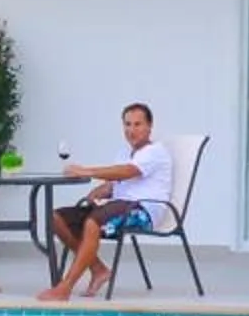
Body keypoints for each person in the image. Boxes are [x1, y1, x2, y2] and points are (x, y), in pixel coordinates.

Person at [40, 103, 174, 301]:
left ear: (149, 126)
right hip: (119, 205)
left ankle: (65, 287)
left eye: (138, 124)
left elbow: (128, 172)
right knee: (56, 218)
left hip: (143, 210)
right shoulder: (125, 152)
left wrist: (87, 171)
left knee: (93, 222)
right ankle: (98, 269)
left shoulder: (155, 152)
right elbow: (117, 182)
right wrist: (99, 191)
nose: (131, 130)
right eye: (127, 124)